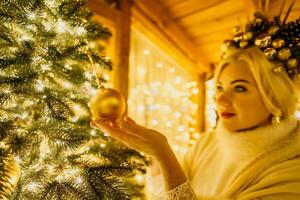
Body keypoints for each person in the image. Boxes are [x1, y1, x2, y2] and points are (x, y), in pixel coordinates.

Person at [91, 14, 300, 199]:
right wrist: (156, 157)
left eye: (239, 89)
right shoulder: (207, 142)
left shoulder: (291, 167)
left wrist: (164, 155)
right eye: (219, 88)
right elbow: (168, 190)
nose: (220, 100)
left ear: (274, 97)